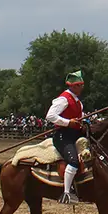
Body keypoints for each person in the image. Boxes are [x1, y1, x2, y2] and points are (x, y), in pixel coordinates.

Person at [46, 71, 86, 204]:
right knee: (73, 161)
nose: (82, 88)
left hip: (76, 135)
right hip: (63, 136)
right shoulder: (63, 99)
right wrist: (68, 122)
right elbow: (50, 116)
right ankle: (67, 193)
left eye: (82, 85)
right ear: (73, 86)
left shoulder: (78, 102)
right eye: (79, 85)